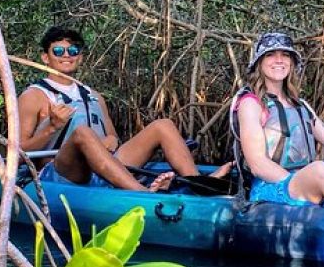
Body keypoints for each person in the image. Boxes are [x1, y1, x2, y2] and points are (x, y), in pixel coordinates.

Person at [19, 26, 224, 192]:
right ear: (45, 57)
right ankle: (140, 193)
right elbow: (17, 153)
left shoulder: (93, 95)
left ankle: (197, 184)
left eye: (73, 51)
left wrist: (112, 140)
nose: (66, 55)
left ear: (80, 57)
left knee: (163, 125)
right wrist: (51, 128)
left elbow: (113, 138)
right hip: (61, 172)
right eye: (58, 51)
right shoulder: (34, 96)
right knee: (82, 133)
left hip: (102, 169)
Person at [230, 32, 324, 208]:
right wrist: (300, 181)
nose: (279, 60)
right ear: (259, 63)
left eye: (285, 55)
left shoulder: (300, 105)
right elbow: (258, 164)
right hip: (271, 188)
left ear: (292, 63)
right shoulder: (251, 104)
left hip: (305, 182)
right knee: (320, 169)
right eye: (270, 55)